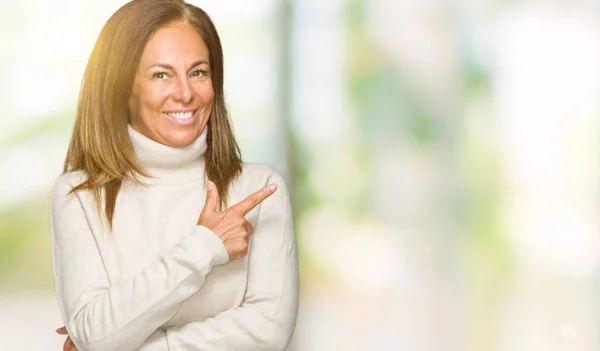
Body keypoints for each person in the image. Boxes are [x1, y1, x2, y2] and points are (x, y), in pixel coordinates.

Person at [49, 0, 298, 350]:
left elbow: (268, 329)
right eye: (161, 74)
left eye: (198, 72)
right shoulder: (79, 195)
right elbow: (96, 332)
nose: (185, 93)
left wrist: (133, 342)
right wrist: (205, 245)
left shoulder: (258, 189)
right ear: (121, 87)